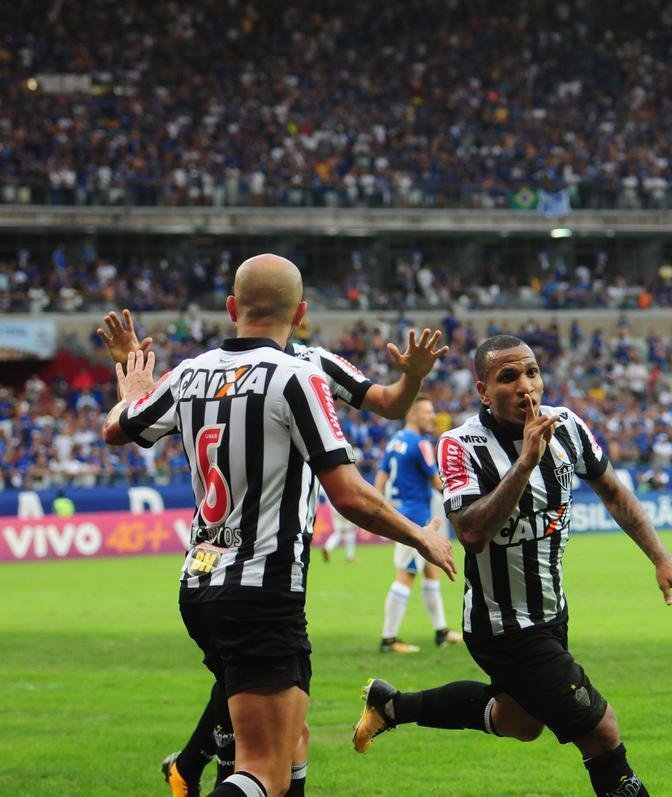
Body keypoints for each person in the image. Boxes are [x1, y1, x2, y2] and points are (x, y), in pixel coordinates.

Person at [101, 254, 456, 797]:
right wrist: (421, 534)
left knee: (289, 740)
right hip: (263, 588)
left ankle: (196, 766)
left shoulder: (191, 371)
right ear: (302, 312)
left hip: (199, 585)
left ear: (230, 308)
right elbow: (348, 495)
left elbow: (115, 430)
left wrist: (131, 393)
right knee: (261, 769)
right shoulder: (300, 378)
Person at [351, 334, 672, 797]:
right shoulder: (459, 446)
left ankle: (392, 706)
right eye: (508, 377)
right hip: (503, 627)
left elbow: (615, 492)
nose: (526, 386)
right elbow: (473, 533)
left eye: (532, 372)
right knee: (601, 732)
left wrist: (663, 559)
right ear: (483, 391)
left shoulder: (569, 427)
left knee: (518, 722)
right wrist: (523, 464)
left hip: (552, 614)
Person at [375, 393, 463, 652]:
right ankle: (389, 639)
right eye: (427, 412)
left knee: (430, 571)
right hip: (415, 518)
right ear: (412, 413)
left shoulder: (395, 441)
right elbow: (437, 482)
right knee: (406, 575)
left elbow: (380, 477)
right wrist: (463, 501)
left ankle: (441, 632)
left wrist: (382, 511)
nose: (432, 416)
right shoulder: (420, 443)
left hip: (405, 514)